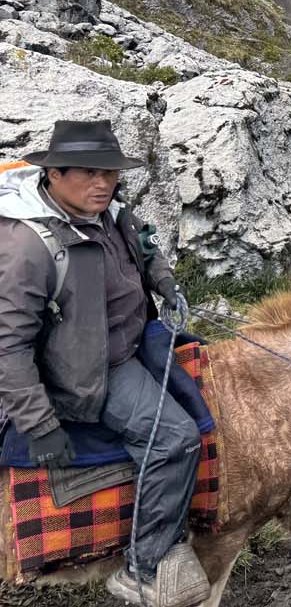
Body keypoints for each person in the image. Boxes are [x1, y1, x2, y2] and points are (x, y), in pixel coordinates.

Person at [0, 121, 209, 607]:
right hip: (86, 370)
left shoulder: (112, 211)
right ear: (53, 174)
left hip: (128, 342)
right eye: (90, 173)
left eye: (111, 173)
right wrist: (40, 423)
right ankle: (144, 569)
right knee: (174, 438)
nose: (103, 183)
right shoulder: (29, 247)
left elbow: (146, 250)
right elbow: (7, 346)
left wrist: (167, 284)